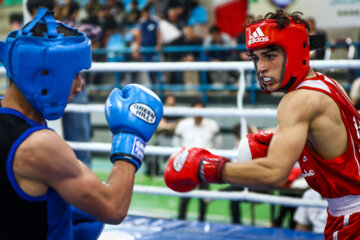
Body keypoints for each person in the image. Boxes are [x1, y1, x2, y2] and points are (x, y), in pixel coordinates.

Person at [164, 9, 360, 239]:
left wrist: (205, 168)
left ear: (296, 51)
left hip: (352, 217)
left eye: (270, 56)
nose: (261, 67)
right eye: (256, 58)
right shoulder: (328, 84)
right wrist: (276, 134)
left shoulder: (297, 101)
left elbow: (275, 173)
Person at [0, 8, 163, 239]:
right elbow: (114, 207)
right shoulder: (39, 146)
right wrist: (130, 138)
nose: (80, 85)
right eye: (75, 74)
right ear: (45, 74)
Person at [173, 100, 222, 222]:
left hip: (205, 165)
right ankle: (181, 220)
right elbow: (176, 142)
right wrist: (181, 157)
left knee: (204, 196)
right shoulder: (183, 125)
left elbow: (218, 143)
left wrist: (211, 158)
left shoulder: (212, 125)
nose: (198, 113)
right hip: (187, 164)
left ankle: (202, 220)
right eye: (196, 110)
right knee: (185, 195)